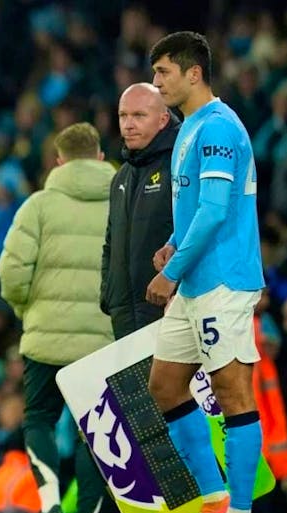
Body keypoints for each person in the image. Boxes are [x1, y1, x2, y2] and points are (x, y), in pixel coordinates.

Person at [146, 31, 265, 513]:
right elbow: (198, 208)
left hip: (223, 280)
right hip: (194, 279)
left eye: (162, 73)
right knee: (165, 387)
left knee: (233, 393)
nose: (156, 84)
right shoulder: (190, 127)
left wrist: (170, 272)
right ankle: (215, 507)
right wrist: (174, 244)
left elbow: (217, 211)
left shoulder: (217, 127)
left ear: (193, 73)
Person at [0, 123, 115, 513]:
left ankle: (49, 506)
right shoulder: (122, 204)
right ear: (101, 158)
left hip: (45, 339)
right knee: (95, 432)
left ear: (59, 161)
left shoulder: (38, 207)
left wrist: (27, 310)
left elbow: (11, 273)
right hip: (103, 341)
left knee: (40, 419)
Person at [101, 83, 178, 338]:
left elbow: (193, 230)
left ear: (163, 119)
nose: (128, 124)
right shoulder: (120, 177)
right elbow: (110, 243)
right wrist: (108, 295)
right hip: (123, 311)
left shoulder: (179, 165)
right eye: (123, 115)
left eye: (139, 115)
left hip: (167, 305)